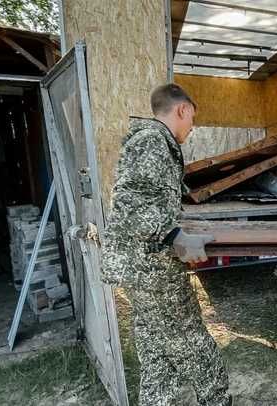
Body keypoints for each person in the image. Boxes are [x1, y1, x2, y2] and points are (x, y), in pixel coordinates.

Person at [102, 83, 230, 405]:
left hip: (141, 269)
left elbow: (147, 199)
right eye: (192, 119)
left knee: (156, 350)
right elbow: (129, 201)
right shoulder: (154, 140)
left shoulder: (151, 142)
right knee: (193, 342)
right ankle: (217, 400)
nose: (192, 127)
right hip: (153, 271)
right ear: (182, 110)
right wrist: (175, 236)